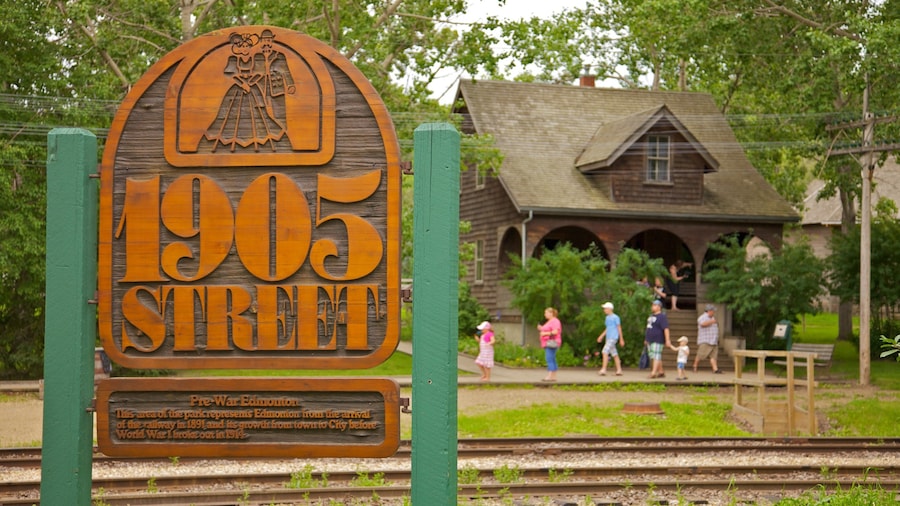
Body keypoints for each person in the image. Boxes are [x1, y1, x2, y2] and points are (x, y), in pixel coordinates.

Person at [644, 299, 672, 379]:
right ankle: (661, 371)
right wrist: (646, 338)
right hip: (650, 339)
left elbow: (666, 329)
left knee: (656, 355)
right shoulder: (651, 317)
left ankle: (653, 372)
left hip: (658, 339)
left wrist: (667, 340)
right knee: (653, 355)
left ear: (659, 307)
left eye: (654, 305)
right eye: (652, 305)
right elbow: (648, 328)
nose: (652, 307)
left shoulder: (662, 317)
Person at [596, 302, 624, 376]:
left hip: (613, 337)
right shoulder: (607, 318)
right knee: (614, 353)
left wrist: (621, 339)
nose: (604, 310)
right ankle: (619, 370)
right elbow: (607, 328)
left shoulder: (616, 317)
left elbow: (619, 327)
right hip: (608, 337)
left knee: (604, 351)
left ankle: (604, 369)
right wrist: (601, 336)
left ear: (610, 309)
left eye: (605, 308)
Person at [694, 304, 722, 374]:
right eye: (713, 311)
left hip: (713, 340)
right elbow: (702, 324)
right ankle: (695, 366)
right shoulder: (702, 317)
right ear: (709, 311)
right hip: (705, 340)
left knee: (714, 356)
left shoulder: (712, 318)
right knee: (700, 355)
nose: (714, 312)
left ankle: (715, 369)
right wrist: (711, 322)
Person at [537, 307, 562, 382]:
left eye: (546, 313)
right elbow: (548, 329)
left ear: (551, 313)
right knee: (552, 358)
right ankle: (553, 375)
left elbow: (555, 332)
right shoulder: (550, 321)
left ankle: (550, 375)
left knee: (549, 358)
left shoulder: (555, 321)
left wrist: (544, 333)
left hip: (552, 342)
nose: (545, 314)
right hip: (548, 342)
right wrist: (541, 328)